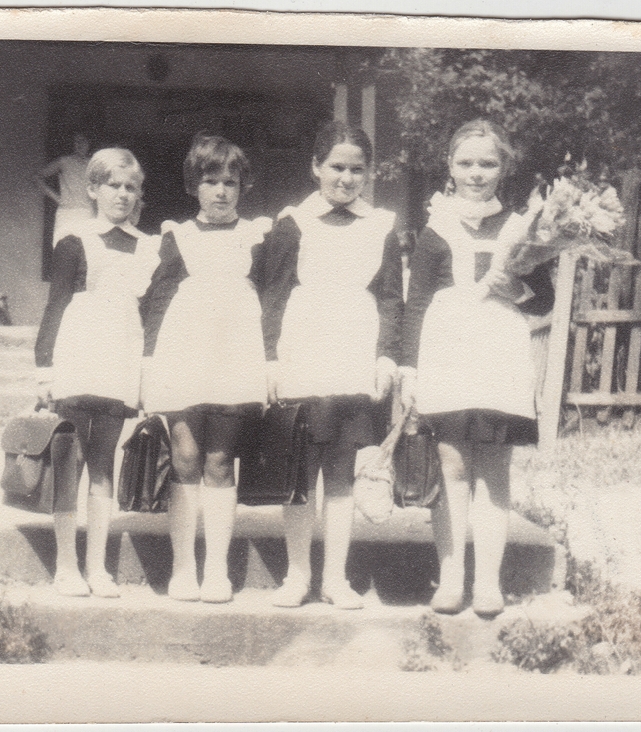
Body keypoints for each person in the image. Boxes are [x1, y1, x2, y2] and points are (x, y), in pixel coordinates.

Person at [399, 119, 553, 617]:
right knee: (453, 467)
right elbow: (416, 304)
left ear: (504, 168)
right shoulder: (435, 229)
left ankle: (487, 581)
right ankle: (450, 579)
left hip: (498, 358)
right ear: (449, 166)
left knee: (493, 470)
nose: (476, 173)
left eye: (487, 163)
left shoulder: (521, 229)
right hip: (447, 356)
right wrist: (409, 370)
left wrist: (519, 289)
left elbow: (543, 299)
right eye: (465, 163)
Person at [252, 121, 403, 610]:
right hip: (303, 353)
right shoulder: (292, 223)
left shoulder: (381, 225)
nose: (346, 178)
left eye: (357, 169)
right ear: (315, 167)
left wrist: (386, 356)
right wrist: (270, 358)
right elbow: (273, 295)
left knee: (341, 471)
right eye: (336, 166)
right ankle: (297, 575)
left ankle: (335, 578)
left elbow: (391, 298)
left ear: (369, 173)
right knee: (300, 471)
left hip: (354, 356)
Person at [141, 134, 271, 604]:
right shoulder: (177, 236)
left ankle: (216, 569)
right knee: (186, 455)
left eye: (230, 183)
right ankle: (183, 568)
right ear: (192, 185)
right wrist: (148, 361)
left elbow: (272, 299)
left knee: (219, 459)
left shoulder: (257, 235)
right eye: (210, 181)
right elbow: (157, 300)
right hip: (184, 352)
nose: (220, 191)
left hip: (235, 352)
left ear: (243, 187)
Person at [34, 148, 159, 597]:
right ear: (92, 189)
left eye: (131, 187)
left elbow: (149, 312)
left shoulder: (149, 246)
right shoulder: (75, 240)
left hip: (120, 358)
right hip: (77, 355)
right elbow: (55, 307)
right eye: (113, 185)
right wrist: (45, 369)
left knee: (104, 462)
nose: (122, 194)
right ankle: (66, 565)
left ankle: (97, 567)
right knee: (70, 460)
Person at [36, 132, 95, 246]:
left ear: (89, 143)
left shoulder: (93, 164)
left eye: (83, 141)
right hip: (66, 212)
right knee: (63, 249)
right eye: (76, 141)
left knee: (86, 250)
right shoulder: (64, 161)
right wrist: (57, 198)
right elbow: (37, 177)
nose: (80, 145)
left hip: (87, 212)